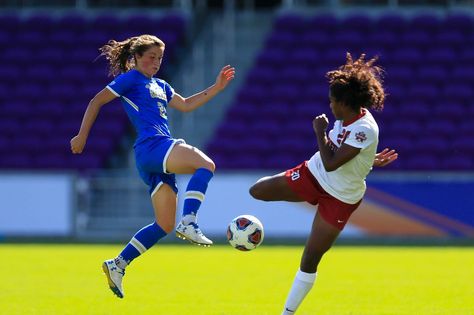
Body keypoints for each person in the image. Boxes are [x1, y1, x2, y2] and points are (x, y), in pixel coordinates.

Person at [70, 34, 235, 298]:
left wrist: (216, 88)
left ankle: (118, 264)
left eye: (159, 58)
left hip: (152, 155)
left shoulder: (160, 84)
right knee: (206, 164)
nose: (156, 62)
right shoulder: (130, 79)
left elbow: (185, 105)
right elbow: (96, 101)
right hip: (153, 146)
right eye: (151, 57)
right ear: (135, 57)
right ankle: (190, 221)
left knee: (163, 224)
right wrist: (82, 136)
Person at [249, 53, 398, 314]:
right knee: (257, 190)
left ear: (344, 103)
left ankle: (287, 312)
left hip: (341, 197)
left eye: (332, 101)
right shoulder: (345, 118)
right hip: (314, 175)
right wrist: (368, 160)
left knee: (310, 258)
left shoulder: (365, 128)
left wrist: (319, 132)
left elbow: (333, 163)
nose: (329, 105)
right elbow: (338, 156)